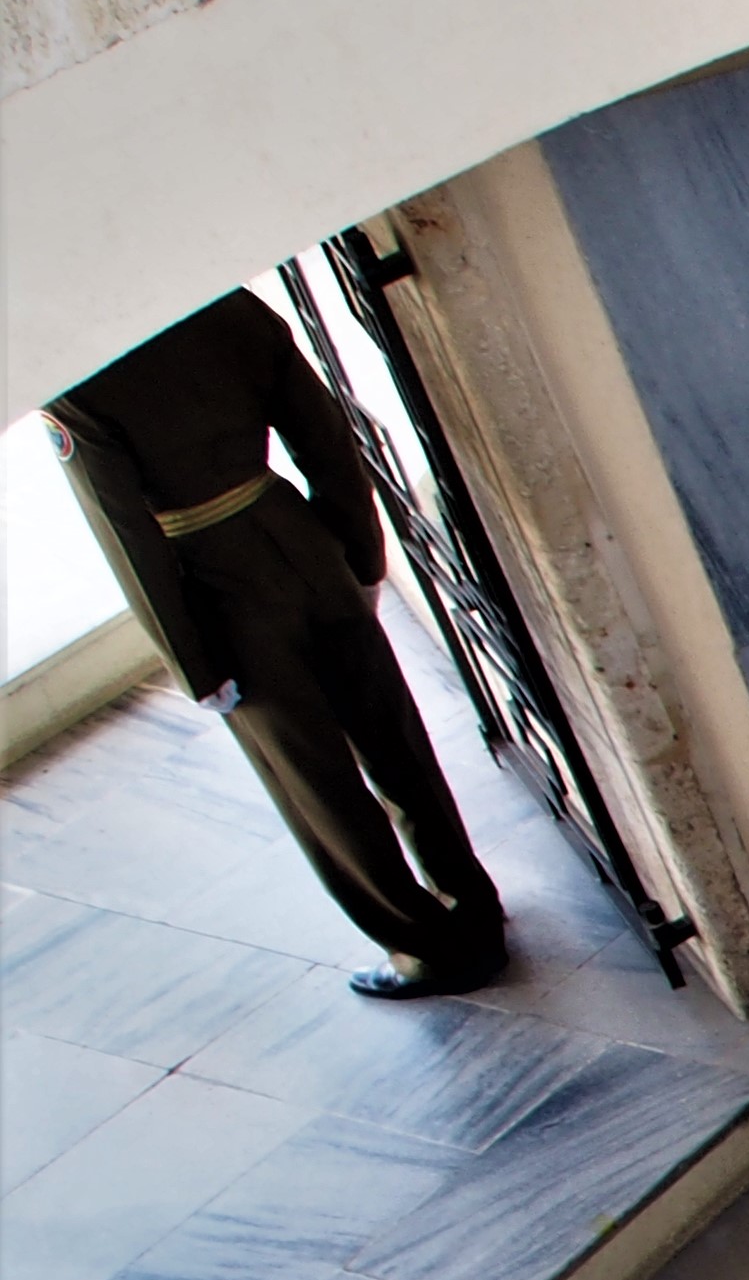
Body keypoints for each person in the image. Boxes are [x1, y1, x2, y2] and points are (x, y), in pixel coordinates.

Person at [43, 290, 506, 997]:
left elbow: (129, 538)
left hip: (219, 589)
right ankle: (471, 903)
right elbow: (326, 436)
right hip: (303, 541)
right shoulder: (225, 304)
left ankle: (426, 948)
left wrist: (193, 663)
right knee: (396, 741)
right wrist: (360, 555)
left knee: (317, 783)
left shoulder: (76, 383)